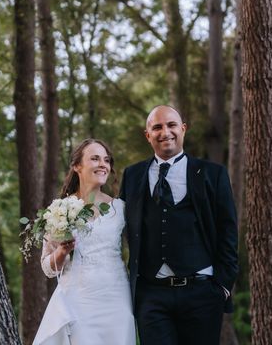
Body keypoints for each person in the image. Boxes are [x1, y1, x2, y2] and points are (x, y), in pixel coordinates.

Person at [119, 105, 238, 345]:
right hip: (151, 294)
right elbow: (120, 226)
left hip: (202, 292)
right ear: (147, 135)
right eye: (157, 127)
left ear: (183, 129)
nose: (166, 132)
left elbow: (228, 230)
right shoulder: (132, 175)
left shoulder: (212, 173)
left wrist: (223, 286)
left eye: (172, 125)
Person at [33, 139, 136, 345]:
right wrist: (62, 252)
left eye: (106, 160)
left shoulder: (121, 208)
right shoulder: (59, 210)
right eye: (95, 158)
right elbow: (48, 267)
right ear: (77, 166)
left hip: (116, 298)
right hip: (79, 299)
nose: (103, 164)